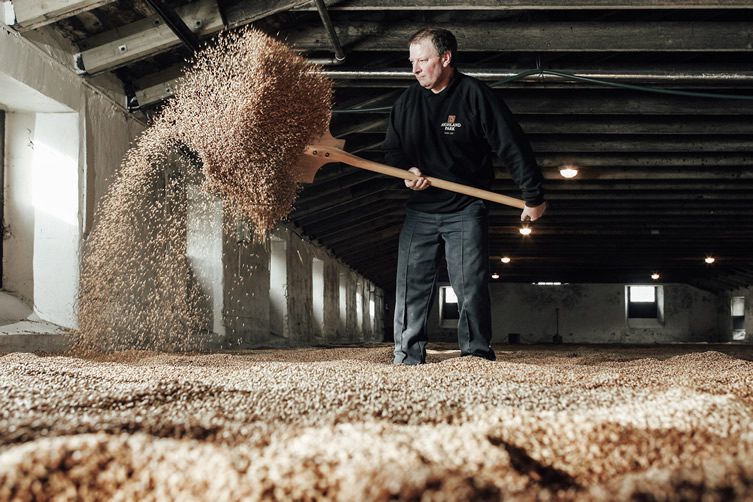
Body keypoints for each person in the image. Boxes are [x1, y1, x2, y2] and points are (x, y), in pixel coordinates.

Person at [383, 28, 547, 365]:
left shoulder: (475, 96)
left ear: (445, 58)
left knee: (469, 285)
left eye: (423, 60)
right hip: (420, 211)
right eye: (412, 61)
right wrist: (407, 172)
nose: (415, 69)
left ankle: (475, 353)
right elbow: (393, 151)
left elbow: (512, 145)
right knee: (410, 286)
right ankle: (407, 354)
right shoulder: (406, 103)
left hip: (465, 208)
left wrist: (533, 195)